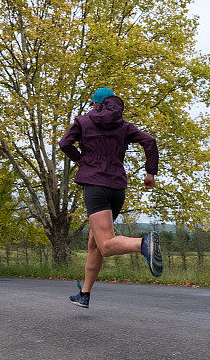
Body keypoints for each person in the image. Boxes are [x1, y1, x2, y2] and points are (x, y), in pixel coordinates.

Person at [59, 87, 163, 309]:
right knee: (95, 243)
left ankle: (143, 244)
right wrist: (150, 173)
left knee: (105, 244)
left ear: (96, 104)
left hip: (95, 186)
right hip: (117, 187)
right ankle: (84, 294)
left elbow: (64, 144)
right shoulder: (123, 125)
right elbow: (150, 141)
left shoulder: (83, 121)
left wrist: (80, 161)